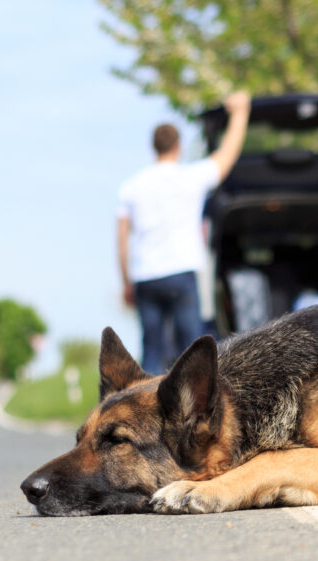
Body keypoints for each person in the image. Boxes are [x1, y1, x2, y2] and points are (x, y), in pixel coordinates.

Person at [116, 92, 251, 373]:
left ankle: (147, 413)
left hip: (146, 277)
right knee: (192, 352)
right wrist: (240, 113)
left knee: (151, 351)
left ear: (154, 147)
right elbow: (226, 156)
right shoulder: (191, 177)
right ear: (178, 146)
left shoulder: (132, 186)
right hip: (181, 272)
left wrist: (126, 282)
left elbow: (122, 238)